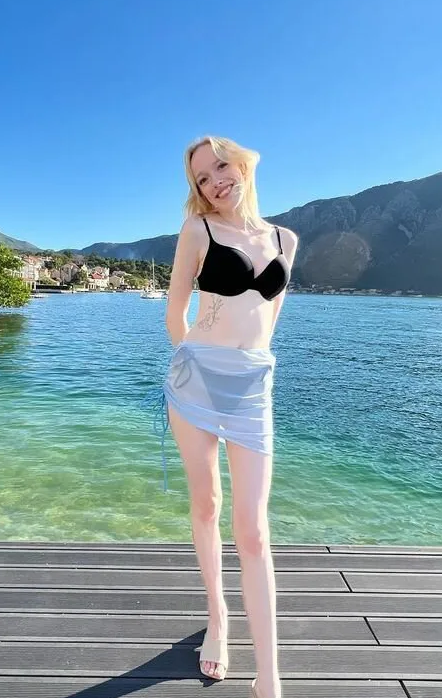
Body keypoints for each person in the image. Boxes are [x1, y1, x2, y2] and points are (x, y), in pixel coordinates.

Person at [162, 135, 298, 698]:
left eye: (220, 166)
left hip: (252, 385)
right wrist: (191, 362)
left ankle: (269, 676)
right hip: (196, 379)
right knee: (207, 505)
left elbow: (270, 317)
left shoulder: (285, 239)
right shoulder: (198, 230)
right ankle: (217, 618)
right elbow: (175, 310)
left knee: (254, 532)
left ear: (241, 164)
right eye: (202, 177)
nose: (215, 181)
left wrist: (252, 366)